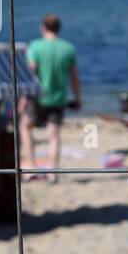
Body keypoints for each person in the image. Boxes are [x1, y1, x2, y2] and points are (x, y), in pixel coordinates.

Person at [20, 14, 80, 183]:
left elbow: (30, 73)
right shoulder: (68, 48)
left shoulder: (35, 46)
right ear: (58, 28)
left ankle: (31, 167)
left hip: (36, 97)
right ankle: (53, 172)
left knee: (25, 127)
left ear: (43, 28)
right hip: (59, 98)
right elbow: (74, 77)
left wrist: (23, 97)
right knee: (54, 135)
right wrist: (78, 97)